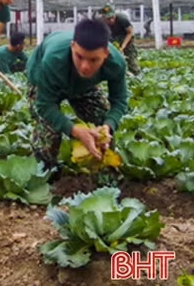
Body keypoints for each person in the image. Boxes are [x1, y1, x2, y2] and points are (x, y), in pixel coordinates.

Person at [26, 18, 128, 172]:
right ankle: (45, 175)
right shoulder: (53, 59)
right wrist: (75, 130)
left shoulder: (116, 64)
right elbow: (45, 104)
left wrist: (108, 126)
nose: (85, 66)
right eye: (79, 57)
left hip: (83, 85)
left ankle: (104, 174)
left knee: (102, 122)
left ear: (105, 54)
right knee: (49, 132)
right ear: (72, 46)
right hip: (44, 79)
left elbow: (119, 101)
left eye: (94, 60)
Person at [97, 3, 140, 75]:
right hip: (112, 38)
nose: (111, 20)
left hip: (125, 37)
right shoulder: (101, 22)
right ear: (103, 17)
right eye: (108, 18)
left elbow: (130, 33)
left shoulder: (122, 18)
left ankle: (135, 74)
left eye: (112, 17)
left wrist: (123, 46)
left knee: (131, 57)